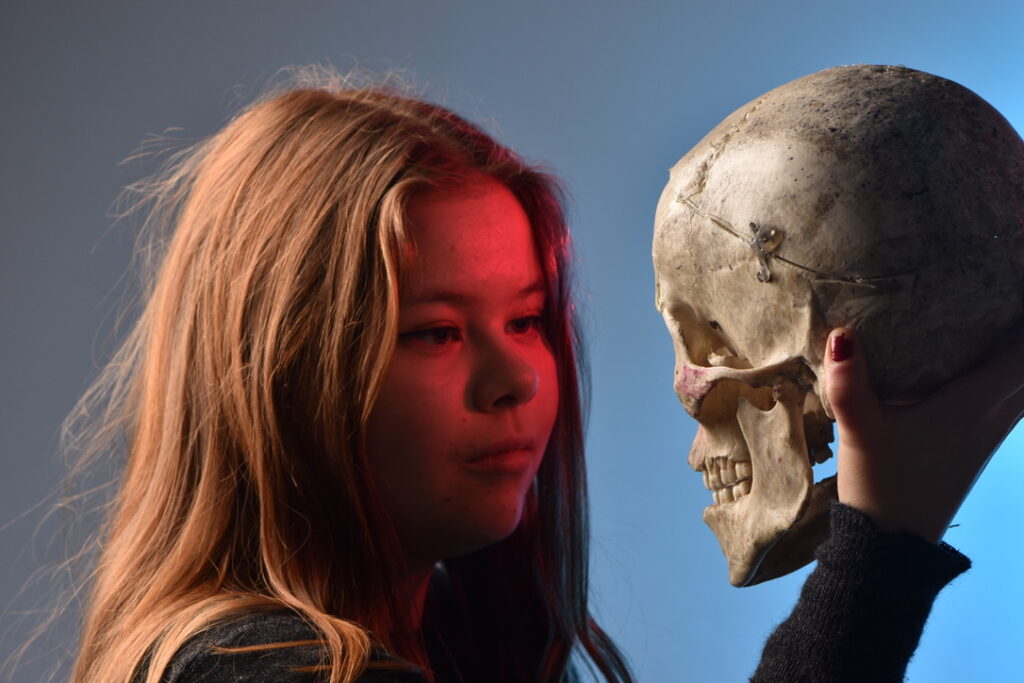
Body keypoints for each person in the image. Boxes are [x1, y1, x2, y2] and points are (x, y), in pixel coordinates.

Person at [67, 67, 1024, 683]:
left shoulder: (436, 645)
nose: (516, 379)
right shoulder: (269, 673)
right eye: (436, 332)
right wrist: (883, 546)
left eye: (527, 319)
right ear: (277, 372)